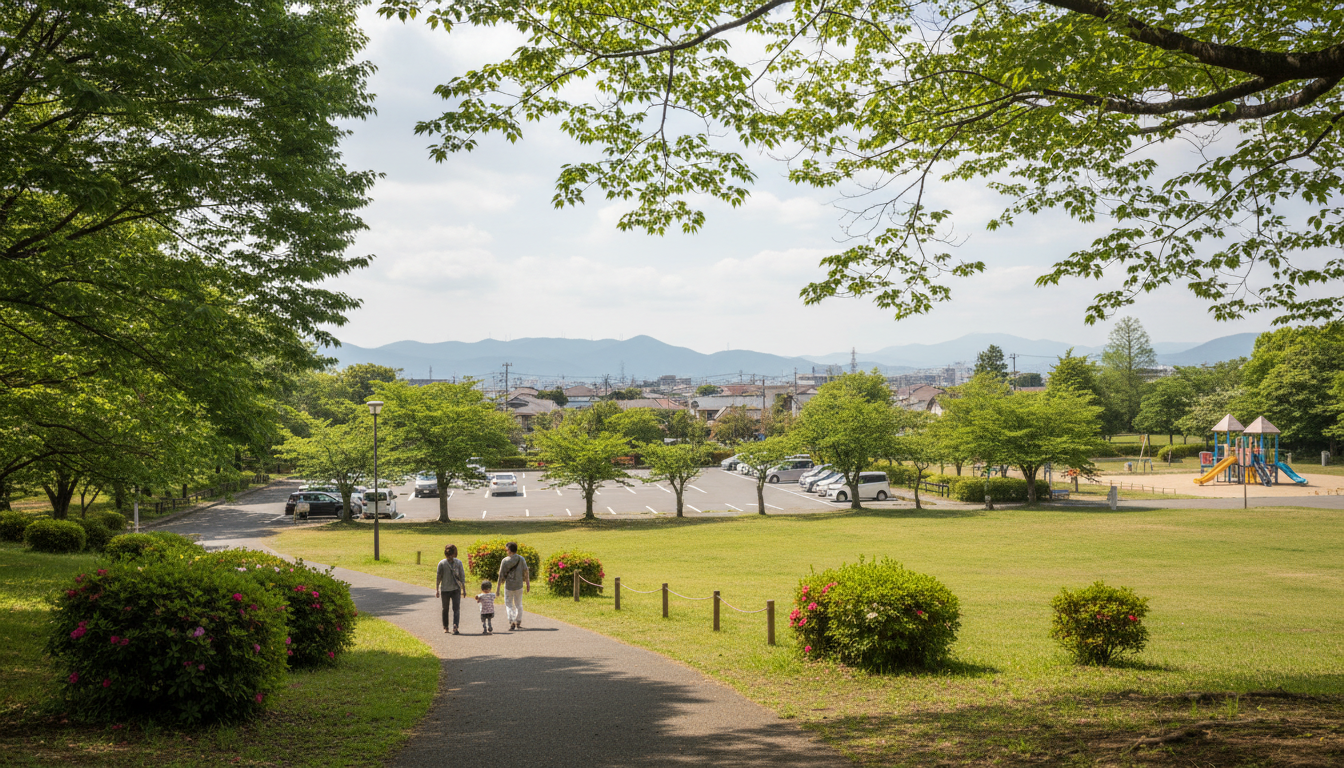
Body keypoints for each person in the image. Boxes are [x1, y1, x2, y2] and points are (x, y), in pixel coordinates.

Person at [496, 541, 530, 630]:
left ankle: (512, 621)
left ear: (509, 550)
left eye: (506, 549)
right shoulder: (521, 559)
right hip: (519, 585)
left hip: (509, 586)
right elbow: (526, 571)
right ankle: (518, 621)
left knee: (509, 604)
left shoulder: (505, 561)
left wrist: (498, 588)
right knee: (519, 604)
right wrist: (527, 583)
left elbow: (501, 575)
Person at [435, 544, 466, 635]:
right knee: (450, 609)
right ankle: (450, 626)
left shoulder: (454, 563)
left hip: (451, 589)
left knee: (451, 609)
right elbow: (439, 577)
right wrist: (437, 589)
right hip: (450, 589)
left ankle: (451, 627)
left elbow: (462, 576)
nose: (450, 558)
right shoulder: (445, 563)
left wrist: (463, 589)